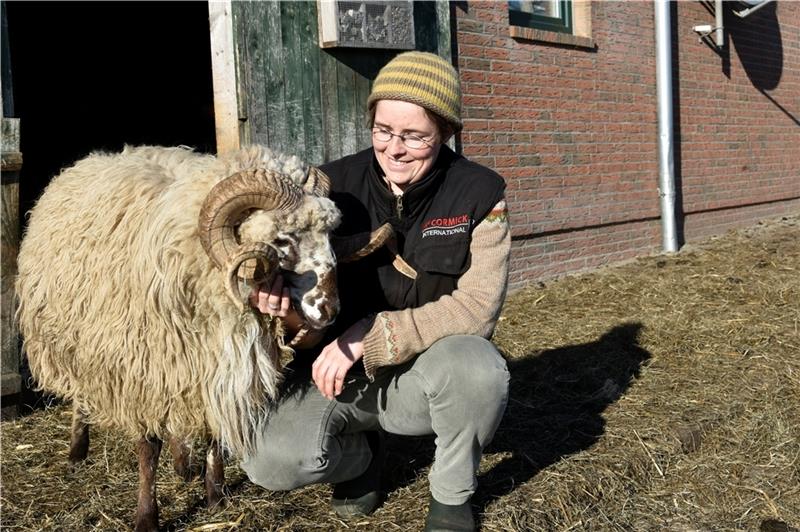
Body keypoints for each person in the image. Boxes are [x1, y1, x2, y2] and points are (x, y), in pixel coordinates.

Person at [241, 50, 511, 532]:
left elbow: (477, 308)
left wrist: (370, 334)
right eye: (383, 131)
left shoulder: (480, 193)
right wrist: (286, 317)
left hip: (424, 372)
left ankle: (451, 496)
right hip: (334, 376)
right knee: (267, 460)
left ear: (446, 133)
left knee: (479, 370)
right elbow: (306, 303)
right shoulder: (329, 190)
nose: (395, 148)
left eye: (414, 136)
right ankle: (359, 461)